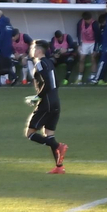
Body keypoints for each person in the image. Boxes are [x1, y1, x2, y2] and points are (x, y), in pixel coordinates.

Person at [23, 39, 67, 175]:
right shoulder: (49, 63)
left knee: (30, 134)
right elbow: (56, 83)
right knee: (49, 136)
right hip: (55, 102)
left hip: (46, 104)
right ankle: (59, 167)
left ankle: (58, 146)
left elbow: (47, 83)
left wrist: (38, 97)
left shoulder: (41, 64)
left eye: (33, 48)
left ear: (39, 50)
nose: (31, 50)